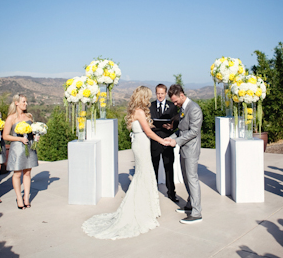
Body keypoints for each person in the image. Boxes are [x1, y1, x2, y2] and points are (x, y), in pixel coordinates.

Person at [82, 86, 169, 240]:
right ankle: (142, 209)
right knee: (143, 174)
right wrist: (163, 141)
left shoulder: (135, 110)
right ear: (143, 97)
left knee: (143, 174)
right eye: (147, 97)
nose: (149, 100)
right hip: (142, 144)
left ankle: (147, 208)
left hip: (139, 142)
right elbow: (148, 132)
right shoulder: (140, 112)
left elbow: (146, 128)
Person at [165, 84, 203, 224]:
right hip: (183, 149)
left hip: (191, 150)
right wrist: (171, 138)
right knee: (187, 178)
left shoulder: (194, 109)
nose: (175, 104)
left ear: (182, 95)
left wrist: (177, 141)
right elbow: (181, 130)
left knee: (192, 179)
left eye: (176, 101)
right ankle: (189, 204)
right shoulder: (183, 108)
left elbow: (194, 132)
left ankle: (197, 212)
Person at [3, 94, 38, 209]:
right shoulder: (11, 118)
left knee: (27, 173)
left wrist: (35, 136)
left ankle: (26, 197)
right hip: (17, 148)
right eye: (23, 101)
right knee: (17, 174)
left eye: (26, 102)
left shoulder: (29, 116)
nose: (26, 104)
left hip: (29, 147)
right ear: (16, 103)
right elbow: (5, 136)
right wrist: (19, 138)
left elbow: (32, 132)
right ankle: (19, 197)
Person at [149, 83, 179, 203]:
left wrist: (171, 126)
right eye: (158, 93)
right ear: (155, 93)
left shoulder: (172, 106)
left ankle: (171, 193)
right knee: (154, 167)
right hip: (155, 141)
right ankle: (152, 192)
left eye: (162, 93)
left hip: (167, 140)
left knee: (168, 167)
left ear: (166, 93)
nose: (160, 96)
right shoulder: (150, 106)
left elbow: (176, 121)